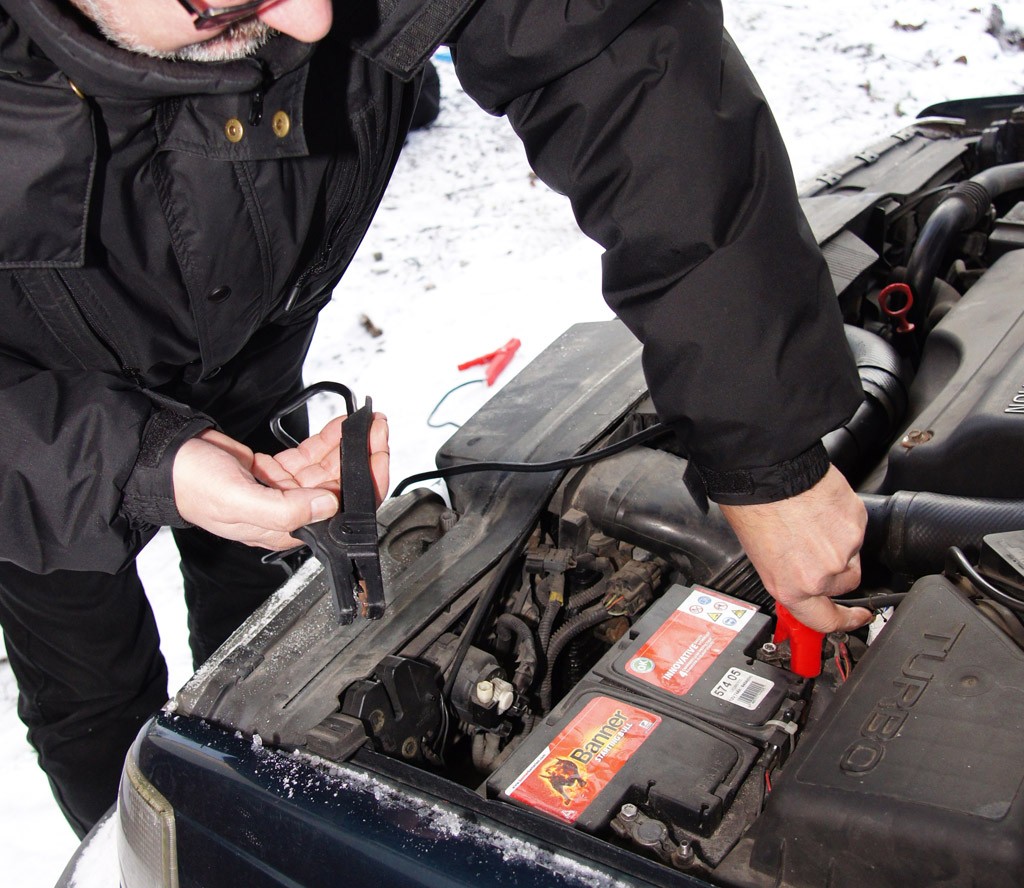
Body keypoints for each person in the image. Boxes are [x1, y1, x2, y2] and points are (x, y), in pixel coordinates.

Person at [0, 0, 869, 839]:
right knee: (90, 687)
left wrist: (766, 451)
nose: (312, 20)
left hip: (255, 362)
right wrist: (134, 463)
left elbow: (620, 61)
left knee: (263, 626)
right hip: (30, 440)